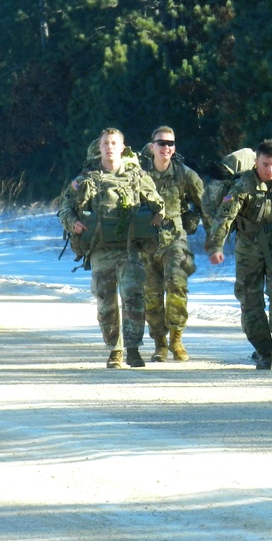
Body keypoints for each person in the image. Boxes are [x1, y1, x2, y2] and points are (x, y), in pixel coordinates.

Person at [59, 128, 164, 369]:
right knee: (106, 304)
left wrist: (158, 216)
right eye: (105, 143)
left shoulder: (137, 177)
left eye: (114, 143)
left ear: (122, 147)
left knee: (133, 300)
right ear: (99, 147)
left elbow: (158, 203)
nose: (109, 147)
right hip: (101, 250)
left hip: (130, 249)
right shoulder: (85, 179)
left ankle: (133, 349)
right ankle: (114, 349)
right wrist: (72, 223)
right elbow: (65, 208)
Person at [206, 139, 272, 369]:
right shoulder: (243, 184)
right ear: (256, 162)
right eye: (265, 164)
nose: (270, 170)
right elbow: (225, 217)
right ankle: (265, 350)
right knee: (249, 301)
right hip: (248, 248)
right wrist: (216, 246)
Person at [140, 126, 208, 362]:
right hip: (145, 242)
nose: (165, 147)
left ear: (174, 148)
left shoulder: (185, 175)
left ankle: (176, 340)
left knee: (177, 286)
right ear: (152, 147)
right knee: (152, 295)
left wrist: (214, 239)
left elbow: (206, 206)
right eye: (161, 143)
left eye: (170, 143)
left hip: (175, 239)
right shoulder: (138, 173)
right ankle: (159, 343)